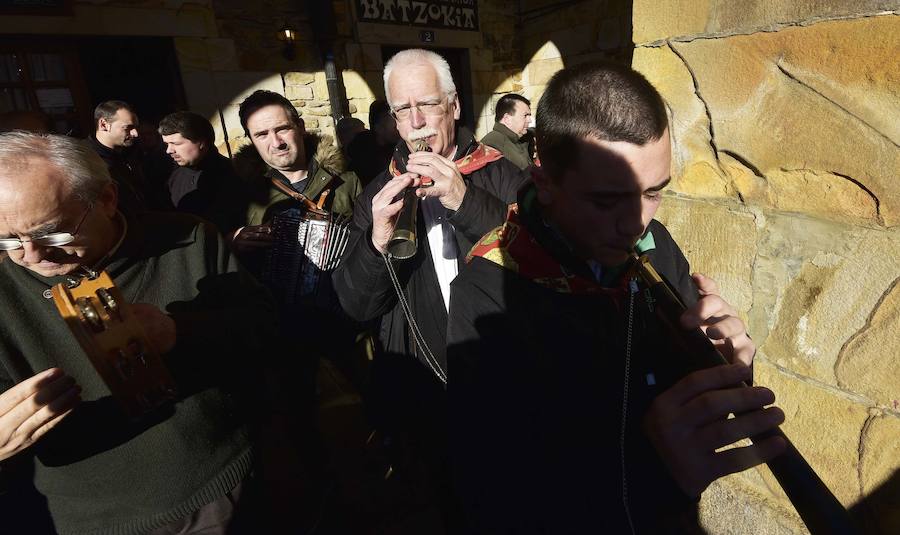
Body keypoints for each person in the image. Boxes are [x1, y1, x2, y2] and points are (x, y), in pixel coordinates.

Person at [447, 61, 786, 533]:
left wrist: (719, 363)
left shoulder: (655, 245)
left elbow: (678, 370)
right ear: (544, 182)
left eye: (653, 193)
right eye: (607, 201)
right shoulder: (488, 295)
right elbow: (497, 498)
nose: (635, 224)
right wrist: (656, 472)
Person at [0, 132, 277, 534]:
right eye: (8, 240)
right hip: (91, 520)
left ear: (107, 200)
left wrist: (180, 330)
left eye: (53, 232)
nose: (32, 255)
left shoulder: (188, 239)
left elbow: (265, 328)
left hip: (216, 490)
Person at [331, 48, 528, 528]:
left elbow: (545, 261)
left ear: (455, 107)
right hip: (425, 392)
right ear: (394, 120)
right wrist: (376, 244)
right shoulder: (378, 192)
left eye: (429, 105)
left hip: (508, 380)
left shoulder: (504, 174)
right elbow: (355, 306)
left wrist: (466, 200)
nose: (417, 122)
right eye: (404, 109)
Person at [159, 111, 244, 235]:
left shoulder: (232, 174)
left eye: (175, 143)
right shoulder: (173, 175)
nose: (169, 150)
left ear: (201, 142)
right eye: (167, 144)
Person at [89, 100, 147, 215]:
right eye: (128, 127)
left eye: (135, 127)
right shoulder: (86, 160)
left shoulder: (134, 153)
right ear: (104, 124)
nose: (135, 133)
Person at [347, 100, 400, 186]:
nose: (399, 129)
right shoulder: (362, 160)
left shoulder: (398, 150)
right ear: (378, 128)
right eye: (394, 127)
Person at [480, 93, 534, 170]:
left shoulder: (517, 137)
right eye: (525, 115)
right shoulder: (493, 144)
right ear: (507, 119)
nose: (529, 120)